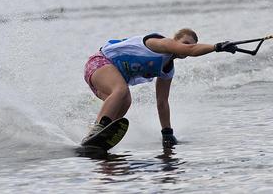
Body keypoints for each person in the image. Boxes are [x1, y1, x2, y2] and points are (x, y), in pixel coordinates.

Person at [83, 28, 237, 147]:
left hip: (107, 76)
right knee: (121, 90)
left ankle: (98, 136)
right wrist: (217, 47)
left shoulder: (167, 70)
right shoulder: (160, 43)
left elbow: (162, 102)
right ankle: (98, 128)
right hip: (99, 63)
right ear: (175, 41)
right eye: (185, 43)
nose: (188, 47)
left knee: (126, 100)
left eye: (192, 45)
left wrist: (167, 132)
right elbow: (190, 51)